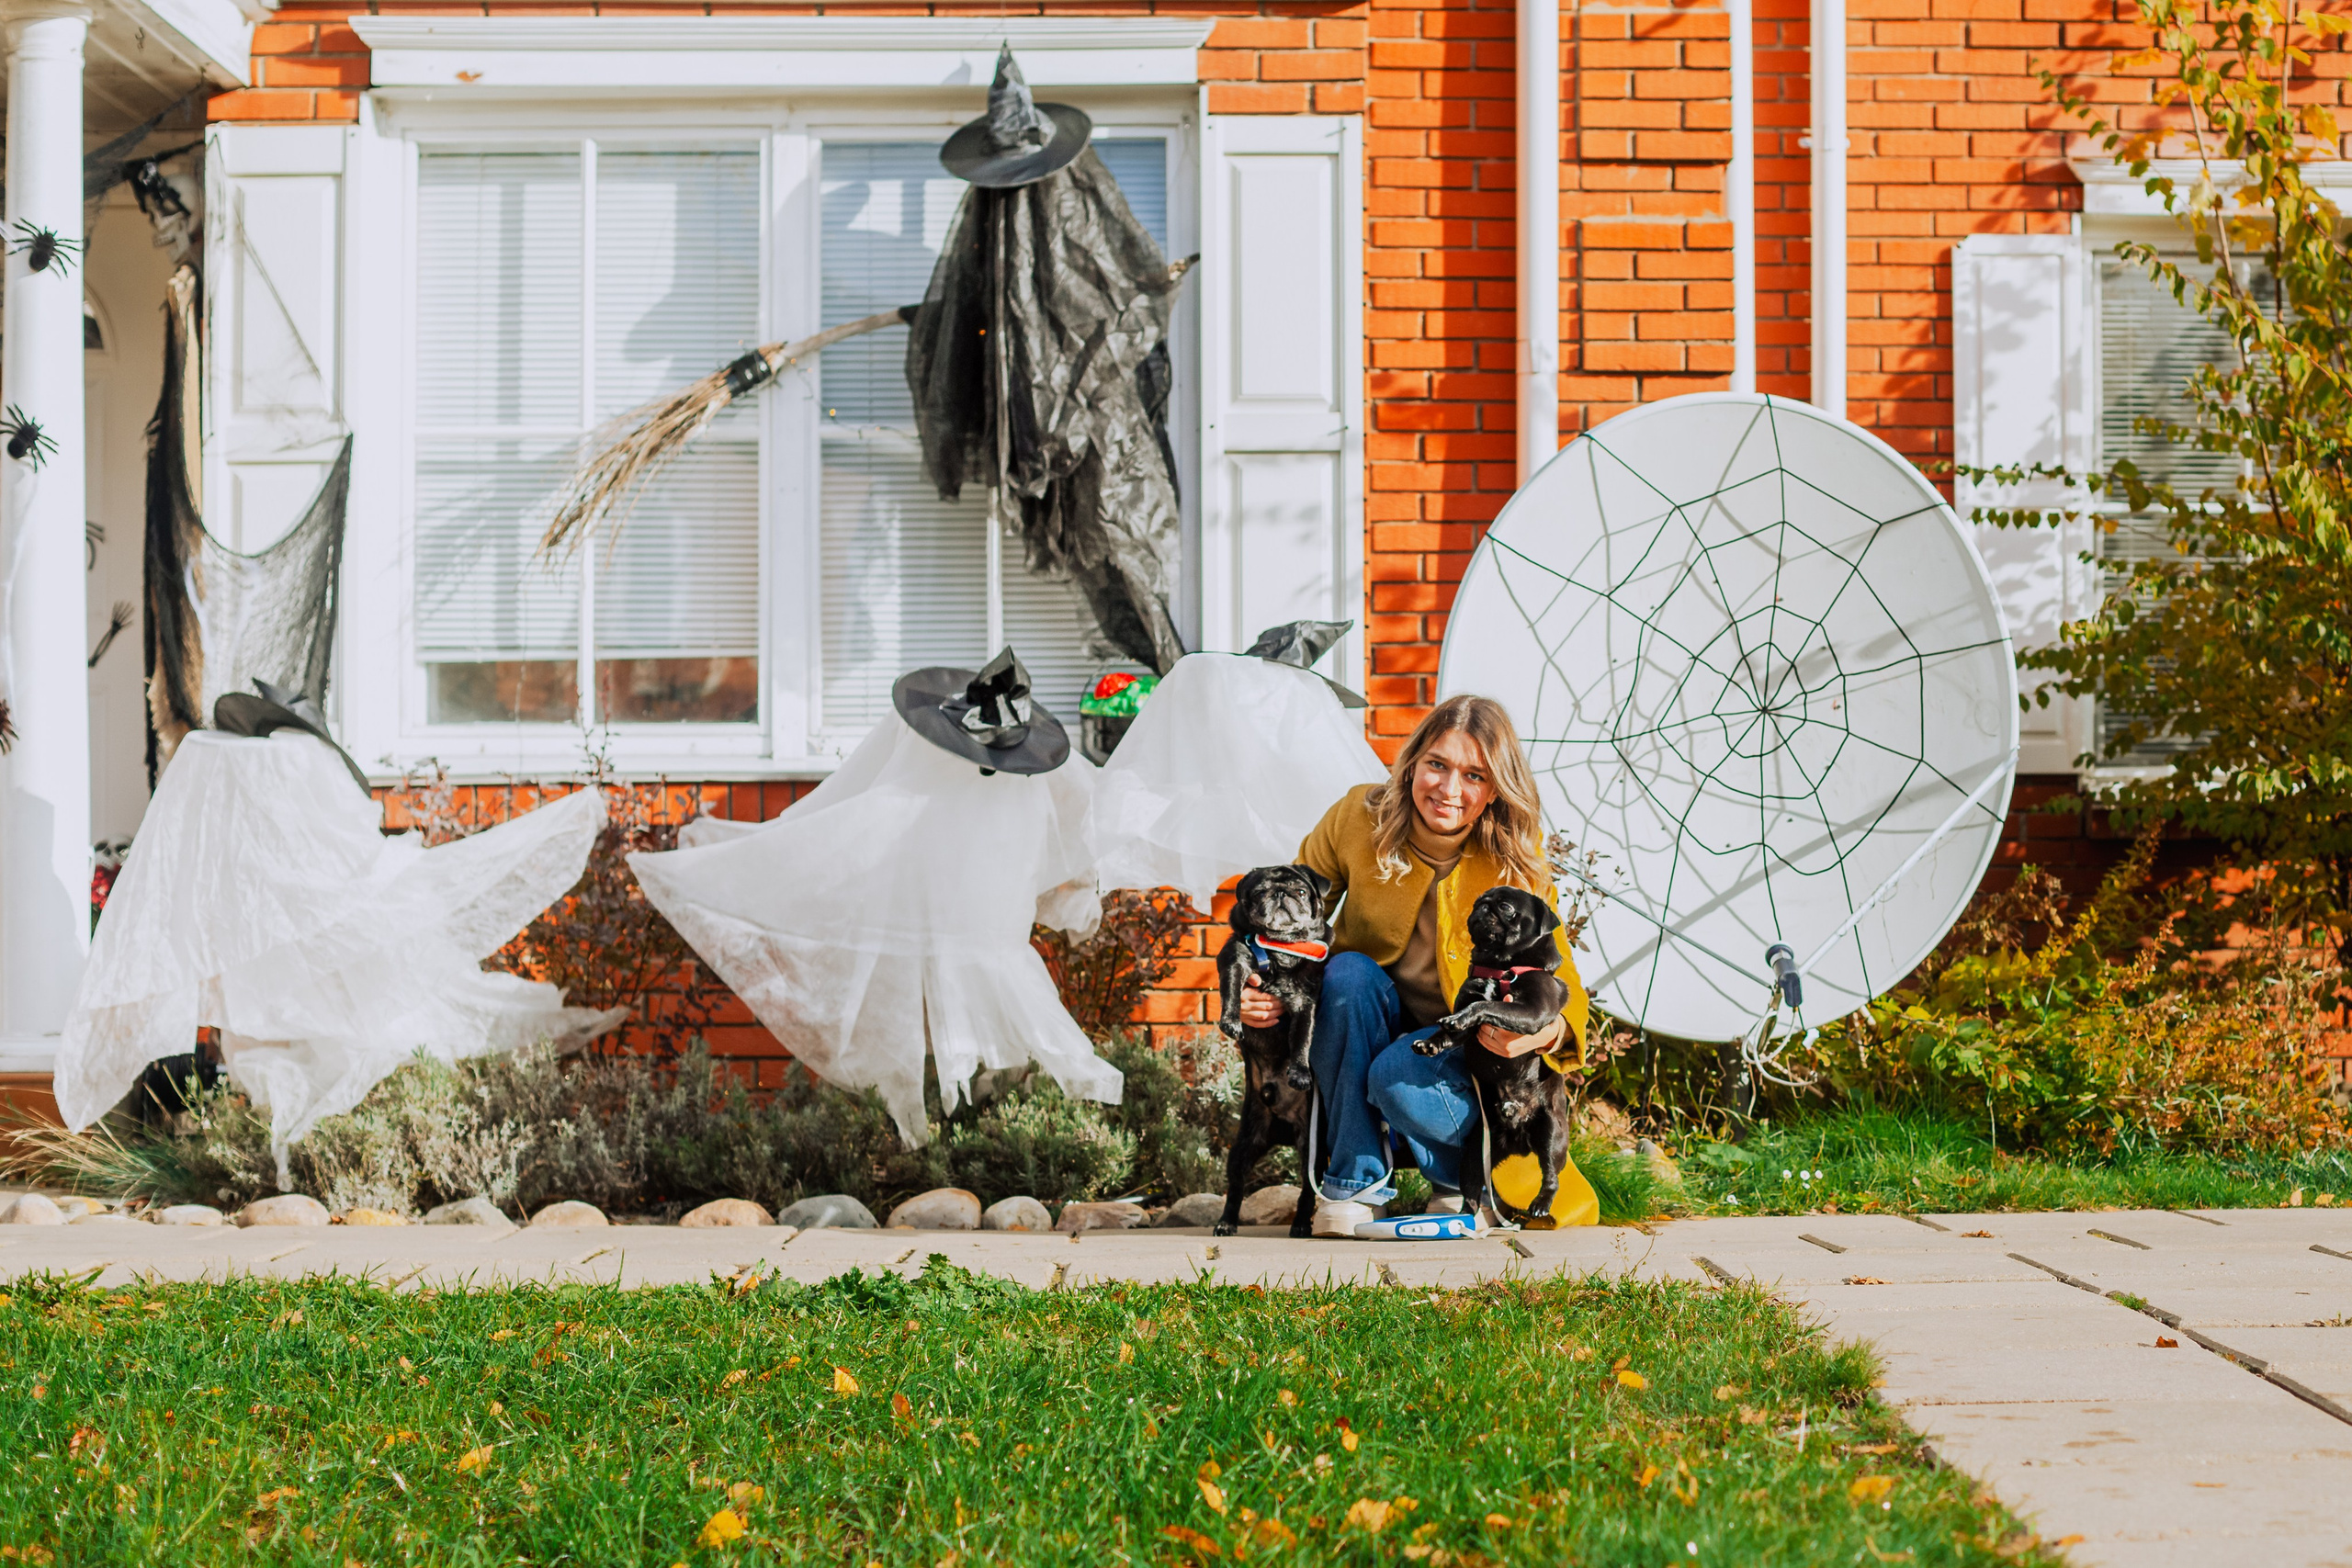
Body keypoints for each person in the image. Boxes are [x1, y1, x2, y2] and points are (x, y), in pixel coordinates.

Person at [1235, 694, 1589, 1236]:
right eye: (1437, 765)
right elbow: (1282, 913)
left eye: (1474, 775)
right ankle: (1353, 1184)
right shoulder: (1357, 818)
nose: (1449, 789)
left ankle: (1457, 1183)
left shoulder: (1514, 857)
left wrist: (1549, 1033)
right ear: (1411, 764)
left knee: (1396, 1074)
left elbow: (1561, 978)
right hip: (1360, 1021)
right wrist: (1256, 987)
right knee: (1348, 973)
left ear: (1495, 789)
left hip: (1457, 1048)